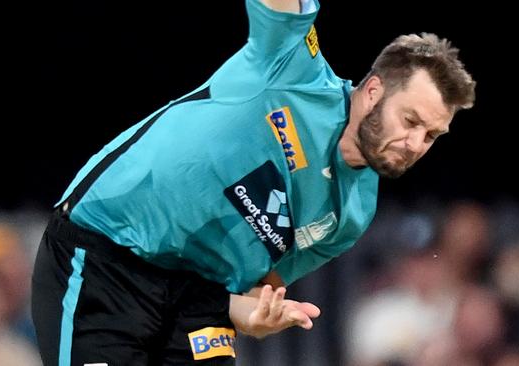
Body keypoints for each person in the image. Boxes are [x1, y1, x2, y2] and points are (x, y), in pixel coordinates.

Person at [31, 0, 476, 364]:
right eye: (411, 120)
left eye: (432, 135)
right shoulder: (292, 68)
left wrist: (257, 313)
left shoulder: (352, 215)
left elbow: (256, 289)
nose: (416, 143)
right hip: (106, 254)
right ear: (374, 90)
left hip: (198, 299)